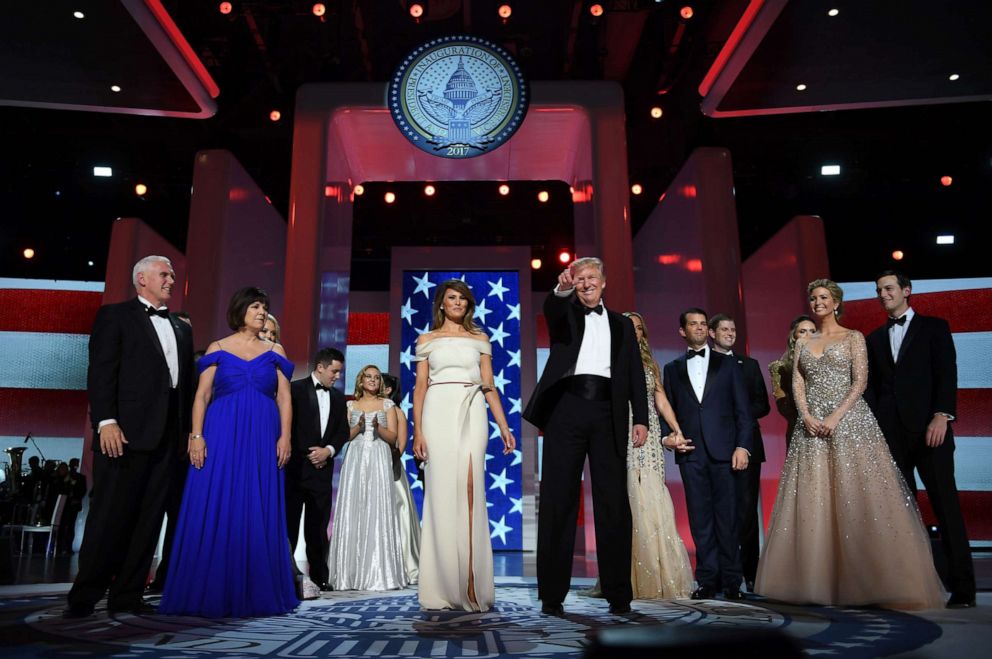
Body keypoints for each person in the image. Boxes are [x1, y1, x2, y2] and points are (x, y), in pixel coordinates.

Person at [754, 279, 945, 610]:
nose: (817, 302)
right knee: (815, 500)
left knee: (855, 495)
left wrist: (834, 418)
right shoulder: (804, 343)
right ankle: (816, 582)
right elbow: (797, 383)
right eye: (813, 298)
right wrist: (808, 416)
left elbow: (860, 382)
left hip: (850, 424)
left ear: (836, 302)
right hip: (810, 428)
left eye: (824, 297)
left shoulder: (854, 337)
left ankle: (866, 581)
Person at [65, 256, 194, 618]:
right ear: (141, 278)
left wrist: (187, 434)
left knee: (149, 519)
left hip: (168, 440)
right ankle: (85, 595)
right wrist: (106, 421)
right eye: (164, 274)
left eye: (171, 274)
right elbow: (102, 370)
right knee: (109, 516)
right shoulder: (115, 316)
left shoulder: (182, 329)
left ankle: (128, 594)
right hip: (122, 435)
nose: (171, 280)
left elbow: (185, 389)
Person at [159, 287, 298, 617]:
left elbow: (284, 399)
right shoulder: (218, 348)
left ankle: (257, 589)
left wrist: (285, 437)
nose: (262, 312)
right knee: (217, 499)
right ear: (239, 311)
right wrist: (196, 436)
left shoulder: (275, 349)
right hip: (221, 433)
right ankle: (207, 587)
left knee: (257, 502)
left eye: (265, 307)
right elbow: (202, 396)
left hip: (264, 435)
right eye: (255, 306)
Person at [523, 258, 646, 616]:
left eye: (593, 278)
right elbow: (552, 308)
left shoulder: (623, 324)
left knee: (613, 504)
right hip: (567, 411)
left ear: (604, 283)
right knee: (559, 499)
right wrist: (561, 290)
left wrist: (640, 418)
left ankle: (619, 594)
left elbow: (635, 373)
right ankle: (552, 594)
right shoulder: (567, 314)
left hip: (609, 413)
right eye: (580, 279)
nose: (587, 283)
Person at [865, 271, 975, 608]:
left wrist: (942, 415)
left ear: (906, 291)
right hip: (891, 435)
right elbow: (874, 388)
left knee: (946, 506)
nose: (884, 294)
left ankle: (963, 588)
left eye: (889, 288)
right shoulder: (875, 338)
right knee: (903, 512)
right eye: (879, 290)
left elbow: (947, 372)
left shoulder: (934, 327)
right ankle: (915, 586)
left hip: (931, 431)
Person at [413, 280, 516, 612]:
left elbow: (489, 386)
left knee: (471, 488)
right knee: (442, 493)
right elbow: (419, 389)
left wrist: (503, 425)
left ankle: (472, 584)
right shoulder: (427, 340)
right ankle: (442, 585)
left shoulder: (480, 339)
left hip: (472, 408)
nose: (457, 303)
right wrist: (418, 432)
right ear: (442, 304)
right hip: (437, 411)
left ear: (468, 304)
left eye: (463, 299)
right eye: (451, 298)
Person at [581, 312, 694, 600]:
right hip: (621, 431)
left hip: (650, 433)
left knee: (653, 495)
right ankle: (623, 577)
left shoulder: (649, 363)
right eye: (628, 328)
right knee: (627, 497)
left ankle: (658, 576)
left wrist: (676, 429)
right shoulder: (607, 361)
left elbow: (661, 399)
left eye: (639, 328)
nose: (635, 332)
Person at [661, 308, 752, 601]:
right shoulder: (672, 369)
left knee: (727, 517)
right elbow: (668, 410)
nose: (699, 328)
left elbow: (744, 412)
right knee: (700, 519)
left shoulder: (728, 365)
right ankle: (707, 579)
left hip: (726, 451)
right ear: (682, 331)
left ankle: (732, 580)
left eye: (703, 324)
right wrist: (669, 438)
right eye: (693, 324)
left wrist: (743, 446)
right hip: (691, 450)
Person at [327, 365, 405, 590]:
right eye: (368, 377)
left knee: (376, 507)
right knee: (354, 506)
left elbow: (394, 439)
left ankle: (379, 572)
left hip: (379, 455)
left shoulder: (387, 404)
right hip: (356, 457)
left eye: (377, 377)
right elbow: (344, 437)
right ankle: (349, 572)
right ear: (361, 381)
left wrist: (378, 428)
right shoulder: (350, 405)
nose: (372, 380)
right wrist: (357, 428)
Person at [708, 313, 771, 593]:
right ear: (712, 333)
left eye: (733, 329)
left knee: (746, 514)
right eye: (724, 329)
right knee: (718, 513)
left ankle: (750, 574)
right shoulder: (702, 365)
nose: (730, 333)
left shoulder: (750, 364)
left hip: (749, 446)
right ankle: (722, 573)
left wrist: (738, 415)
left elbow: (762, 404)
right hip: (715, 446)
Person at [286, 348, 349, 592]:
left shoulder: (337, 397)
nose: (337, 377)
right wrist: (310, 452)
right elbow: (289, 426)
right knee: (289, 523)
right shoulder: (294, 390)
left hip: (323, 470)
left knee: (318, 526)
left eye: (339, 373)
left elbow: (342, 431)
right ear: (320, 367)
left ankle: (320, 576)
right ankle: (286, 574)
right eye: (334, 371)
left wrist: (329, 451)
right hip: (296, 468)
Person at [383, 372, 421, 585]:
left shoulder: (397, 412)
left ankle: (406, 566)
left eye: (378, 381)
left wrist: (384, 464)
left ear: (388, 389)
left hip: (391, 473)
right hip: (369, 474)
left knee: (399, 515)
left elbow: (401, 445)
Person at [768, 316, 817, 445]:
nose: (808, 335)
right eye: (803, 331)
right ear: (793, 337)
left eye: (813, 331)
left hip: (828, 427)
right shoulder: (781, 367)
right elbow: (784, 406)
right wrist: (807, 418)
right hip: (800, 430)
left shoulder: (827, 362)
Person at [58, 458, 86, 554]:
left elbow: (83, 490)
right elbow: (59, 488)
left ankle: (69, 547)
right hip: (63, 505)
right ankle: (59, 547)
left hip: (73, 505)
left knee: (71, 526)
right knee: (61, 526)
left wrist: (76, 498)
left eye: (76, 464)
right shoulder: (64, 476)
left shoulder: (81, 477)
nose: (75, 466)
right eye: (74, 464)